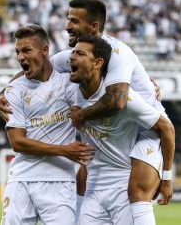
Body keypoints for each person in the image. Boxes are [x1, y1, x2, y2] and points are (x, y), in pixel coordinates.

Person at [0, 0, 167, 224]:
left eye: (74, 21)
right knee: (84, 187)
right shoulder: (74, 56)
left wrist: (81, 115)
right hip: (114, 132)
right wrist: (4, 92)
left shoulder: (118, 53)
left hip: (146, 130)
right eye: (68, 19)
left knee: (136, 192)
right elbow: (40, 66)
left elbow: (117, 101)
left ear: (93, 27)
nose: (67, 26)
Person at [69, 34, 175, 225]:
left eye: (80, 53)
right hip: (93, 189)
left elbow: (167, 128)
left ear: (97, 63)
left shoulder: (126, 100)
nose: (71, 57)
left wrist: (167, 179)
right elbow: (38, 78)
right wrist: (5, 94)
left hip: (123, 186)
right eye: (72, 52)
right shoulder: (70, 90)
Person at [1, 24, 95, 225]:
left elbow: (105, 80)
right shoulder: (14, 91)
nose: (20, 57)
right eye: (17, 52)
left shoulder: (69, 84)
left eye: (26, 50)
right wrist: (63, 150)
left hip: (60, 182)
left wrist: (142, 82)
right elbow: (17, 142)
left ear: (45, 50)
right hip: (22, 180)